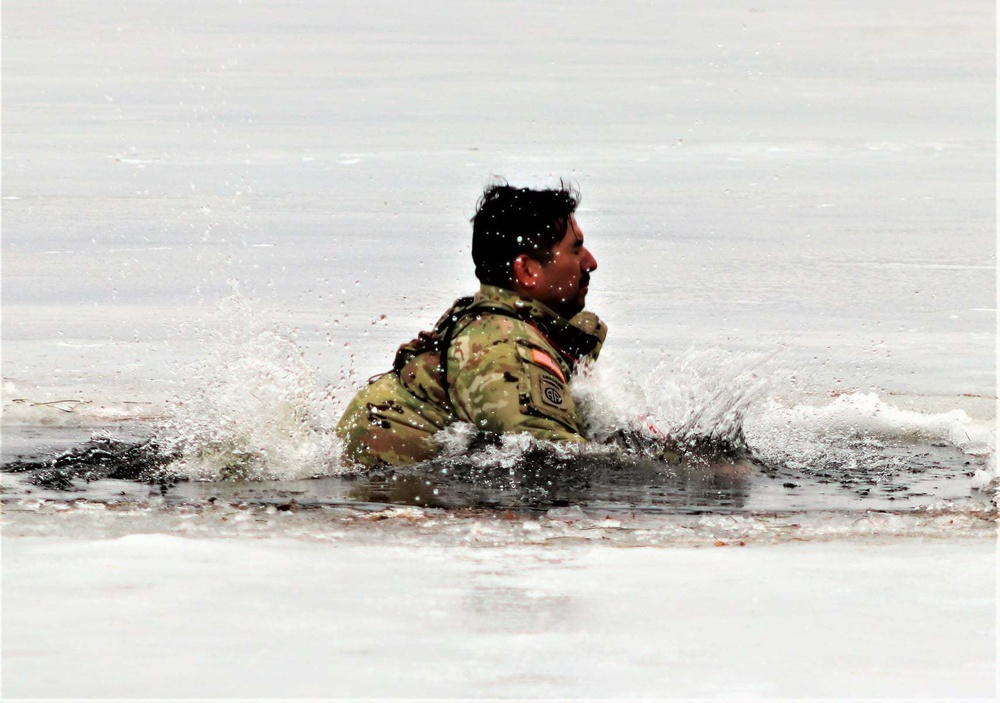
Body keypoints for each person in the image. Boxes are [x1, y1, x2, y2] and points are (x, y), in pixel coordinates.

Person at [335, 181, 606, 468]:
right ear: (527, 270)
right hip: (387, 501)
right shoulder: (505, 349)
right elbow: (550, 466)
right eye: (575, 250)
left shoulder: (493, 324)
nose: (591, 262)